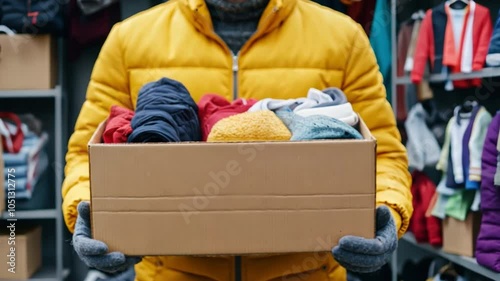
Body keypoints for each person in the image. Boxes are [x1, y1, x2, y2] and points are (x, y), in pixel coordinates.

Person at [63, 0, 413, 280]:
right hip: (170, 273)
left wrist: (387, 214)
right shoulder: (130, 39)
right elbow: (87, 155)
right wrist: (90, 214)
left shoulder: (343, 37)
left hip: (308, 272)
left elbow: (382, 153)